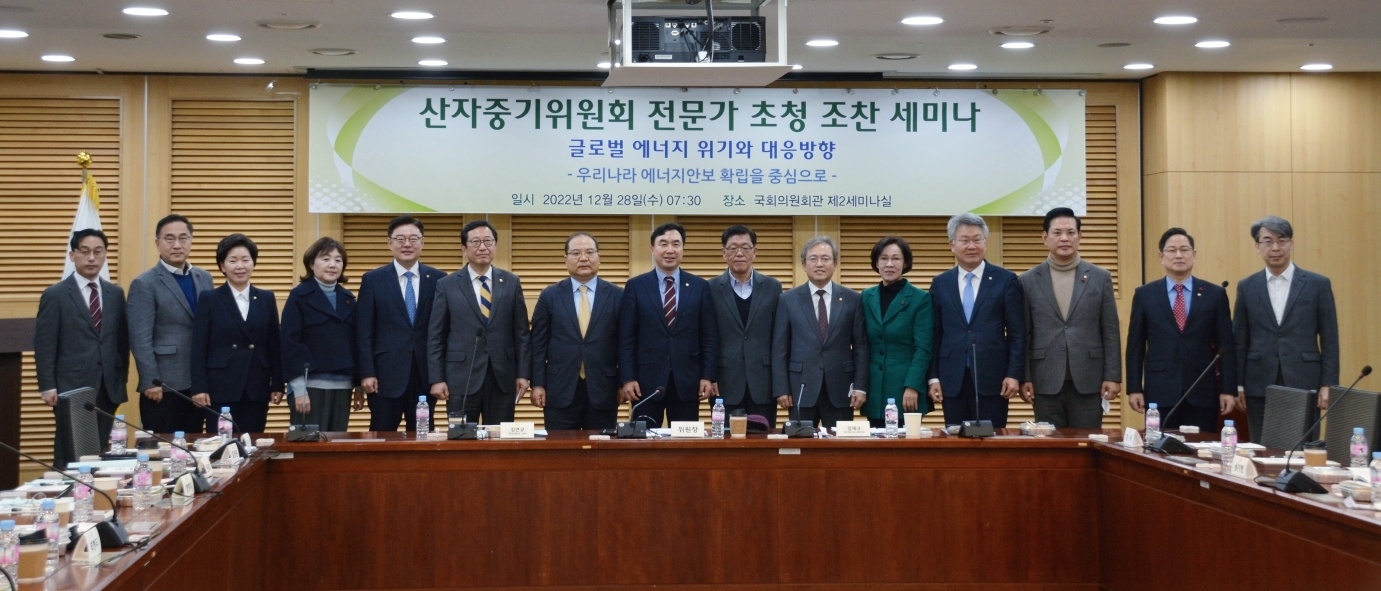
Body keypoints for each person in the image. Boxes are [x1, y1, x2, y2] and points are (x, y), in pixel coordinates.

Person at [1233, 215, 1339, 442]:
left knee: (1304, 449)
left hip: (1305, 381)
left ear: (1291, 244)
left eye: (1282, 241)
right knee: (1262, 450)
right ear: (1257, 247)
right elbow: (1240, 341)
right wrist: (1238, 385)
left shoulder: (1318, 284)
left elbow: (1330, 338)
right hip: (1259, 382)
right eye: (1268, 241)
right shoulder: (1247, 287)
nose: (1275, 248)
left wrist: (1328, 384)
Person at [1017, 207, 1121, 428]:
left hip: (1089, 379)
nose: (1064, 238)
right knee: (1050, 448)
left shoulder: (1100, 277)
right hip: (1044, 380)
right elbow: (1023, 334)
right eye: (1057, 233)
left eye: (1071, 232)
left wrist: (1112, 376)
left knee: (1087, 445)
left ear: (1079, 237)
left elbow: (1110, 331)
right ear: (1045, 238)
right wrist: (1024, 377)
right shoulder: (1027, 280)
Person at [1126, 228, 1236, 432]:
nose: (1178, 255)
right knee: (1159, 452)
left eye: (1184, 250)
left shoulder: (1215, 294)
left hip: (1202, 390)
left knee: (1201, 452)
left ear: (1194, 255)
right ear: (1161, 257)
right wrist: (1134, 388)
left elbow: (1226, 346)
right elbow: (1135, 345)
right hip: (1160, 390)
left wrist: (1228, 390)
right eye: (1172, 250)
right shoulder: (1145, 295)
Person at [34, 229, 128, 466]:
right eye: (84, 252)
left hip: (108, 387)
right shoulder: (55, 295)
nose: (91, 258)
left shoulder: (115, 293)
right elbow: (44, 344)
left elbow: (121, 342)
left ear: (105, 255)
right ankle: (66, 496)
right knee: (71, 452)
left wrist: (119, 380)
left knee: (101, 451)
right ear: (72, 255)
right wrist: (47, 385)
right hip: (71, 387)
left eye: (98, 252)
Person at [428, 220, 531, 424]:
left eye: (488, 241)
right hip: (461, 378)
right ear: (464, 248)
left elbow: (521, 333)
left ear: (495, 245)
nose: (482, 247)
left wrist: (523, 374)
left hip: (502, 376)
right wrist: (437, 378)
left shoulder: (511, 282)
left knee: (501, 441)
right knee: (461, 440)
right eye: (475, 242)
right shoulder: (447, 285)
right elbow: (436, 336)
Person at [928, 213, 1025, 428]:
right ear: (952, 245)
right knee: (955, 443)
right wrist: (933, 377)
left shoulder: (1006, 280)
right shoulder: (941, 283)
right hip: (952, 378)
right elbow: (934, 335)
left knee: (992, 442)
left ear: (985, 242)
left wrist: (1013, 374)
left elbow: (1017, 333)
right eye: (964, 240)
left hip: (994, 378)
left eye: (977, 239)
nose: (972, 245)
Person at [618, 222, 718, 426]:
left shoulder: (700, 287)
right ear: (652, 249)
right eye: (663, 244)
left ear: (683, 249)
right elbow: (626, 337)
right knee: (643, 441)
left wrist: (708, 376)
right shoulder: (636, 286)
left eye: (676, 244)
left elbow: (708, 337)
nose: (670, 250)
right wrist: (627, 378)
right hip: (645, 382)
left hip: (688, 381)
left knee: (686, 444)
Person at [355, 215, 446, 433]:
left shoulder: (439, 280)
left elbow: (444, 332)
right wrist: (367, 372)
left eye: (414, 238)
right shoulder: (373, 280)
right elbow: (363, 331)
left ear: (422, 243)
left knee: (423, 437)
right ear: (389, 243)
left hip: (425, 376)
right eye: (400, 239)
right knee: (382, 437)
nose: (407, 244)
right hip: (384, 376)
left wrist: (440, 376)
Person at [127, 214, 214, 434]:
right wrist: (150, 381)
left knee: (194, 446)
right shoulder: (144, 283)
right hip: (163, 384)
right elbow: (140, 339)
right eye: (169, 239)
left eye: (183, 238)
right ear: (158, 243)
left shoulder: (204, 277)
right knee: (162, 449)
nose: (177, 245)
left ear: (191, 241)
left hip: (198, 383)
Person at [190, 234, 284, 433]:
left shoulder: (266, 298)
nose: (240, 266)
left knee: (253, 444)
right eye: (233, 261)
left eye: (245, 260)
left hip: (256, 384)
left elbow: (274, 344)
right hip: (220, 387)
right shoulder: (209, 299)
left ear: (253, 263)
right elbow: (199, 346)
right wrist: (199, 387)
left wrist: (277, 384)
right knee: (221, 446)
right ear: (223, 266)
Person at [771, 236, 868, 428]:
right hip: (800, 388)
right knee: (799, 448)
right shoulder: (788, 300)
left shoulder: (852, 299)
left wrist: (860, 386)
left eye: (825, 258)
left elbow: (861, 347)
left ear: (835, 264)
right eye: (813, 259)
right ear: (804, 265)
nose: (819, 264)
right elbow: (779, 348)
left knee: (840, 449)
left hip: (841, 389)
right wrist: (781, 389)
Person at [529, 233, 624, 430]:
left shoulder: (617, 295)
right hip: (559, 389)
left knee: (601, 451)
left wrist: (624, 382)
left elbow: (626, 343)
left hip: (604, 388)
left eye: (589, 252)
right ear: (565, 259)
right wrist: (537, 384)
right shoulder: (550, 295)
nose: (583, 258)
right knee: (560, 452)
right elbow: (538, 344)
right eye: (576, 253)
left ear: (599, 257)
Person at [280, 237, 357, 432]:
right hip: (309, 388)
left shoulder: (348, 299)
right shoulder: (299, 296)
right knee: (307, 447)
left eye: (338, 260)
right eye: (326, 258)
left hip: (342, 387)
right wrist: (298, 389)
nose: (332, 265)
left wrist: (359, 387)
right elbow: (290, 343)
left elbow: (356, 344)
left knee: (336, 450)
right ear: (312, 264)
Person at [708, 225, 782, 427]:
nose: (739, 253)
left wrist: (780, 384)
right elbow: (706, 337)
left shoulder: (773, 287)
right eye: (732, 248)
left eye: (745, 248)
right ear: (724, 253)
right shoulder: (710, 288)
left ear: (755, 252)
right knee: (724, 443)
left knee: (764, 443)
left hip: (763, 382)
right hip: (724, 382)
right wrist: (709, 375)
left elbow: (780, 338)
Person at [861, 236, 933, 427]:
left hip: (905, 387)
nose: (889, 264)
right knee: (875, 450)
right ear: (876, 262)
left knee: (905, 449)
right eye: (884, 258)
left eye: (896, 259)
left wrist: (913, 385)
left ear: (906, 263)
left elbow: (923, 348)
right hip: (874, 387)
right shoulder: (866, 297)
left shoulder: (920, 299)